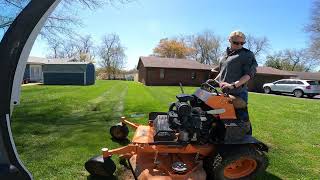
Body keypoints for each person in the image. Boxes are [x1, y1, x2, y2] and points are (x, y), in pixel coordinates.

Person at [213, 30, 258, 135]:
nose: (239, 45)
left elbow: (248, 75)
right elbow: (223, 72)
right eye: (236, 43)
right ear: (229, 40)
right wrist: (214, 81)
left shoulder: (247, 55)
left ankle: (247, 145)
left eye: (242, 43)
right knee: (222, 119)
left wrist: (233, 85)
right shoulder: (224, 55)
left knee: (242, 123)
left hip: (238, 93)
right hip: (224, 92)